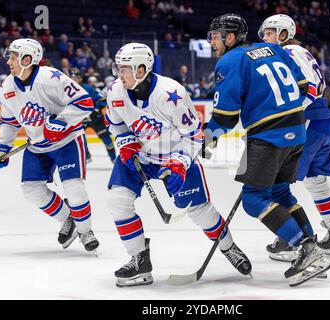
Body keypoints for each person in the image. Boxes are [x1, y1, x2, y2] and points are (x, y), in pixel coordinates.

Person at [106, 43, 252, 287]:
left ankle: (228, 247)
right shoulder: (115, 91)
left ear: (141, 69)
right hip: (140, 155)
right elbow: (116, 123)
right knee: (117, 201)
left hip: (174, 156)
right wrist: (125, 141)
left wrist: (180, 163)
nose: (119, 75)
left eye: (124, 69)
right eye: (118, 69)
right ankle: (139, 260)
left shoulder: (170, 93)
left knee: (200, 212)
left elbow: (195, 135)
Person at [204, 14, 330, 287]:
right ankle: (313, 251)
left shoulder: (229, 61)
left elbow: (225, 116)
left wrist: (207, 140)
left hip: (267, 136)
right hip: (298, 131)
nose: (212, 41)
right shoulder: (274, 50)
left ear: (230, 37)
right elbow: (302, 86)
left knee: (254, 199)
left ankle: (305, 250)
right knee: (279, 193)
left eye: (216, 36)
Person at [0, 38, 99, 252]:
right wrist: (1, 149)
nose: (9, 61)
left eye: (13, 57)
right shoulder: (8, 87)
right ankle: (69, 218)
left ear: (27, 59)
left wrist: (59, 122)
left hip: (67, 140)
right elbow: (10, 122)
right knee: (31, 190)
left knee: (74, 188)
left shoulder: (51, 77)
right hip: (38, 145)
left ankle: (85, 231)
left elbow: (85, 102)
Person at [258, 14, 330, 260]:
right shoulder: (300, 51)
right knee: (316, 179)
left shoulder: (287, 53)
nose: (265, 38)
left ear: (283, 34)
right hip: (327, 123)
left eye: (269, 32)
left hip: (310, 124)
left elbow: (309, 89)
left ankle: (291, 241)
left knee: (278, 182)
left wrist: (289, 116)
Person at [70, 67, 116, 163]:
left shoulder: (87, 88)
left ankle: (114, 159)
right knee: (77, 138)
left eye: (75, 77)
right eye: (72, 77)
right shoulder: (69, 90)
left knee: (106, 139)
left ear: (80, 78)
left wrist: (96, 110)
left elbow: (101, 99)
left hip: (96, 118)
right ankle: (86, 155)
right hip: (81, 119)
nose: (73, 80)